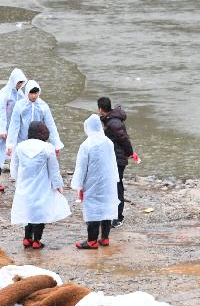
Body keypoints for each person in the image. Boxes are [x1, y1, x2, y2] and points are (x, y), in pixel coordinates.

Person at [10, 120, 70, 249]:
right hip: (42, 185)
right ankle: (37, 240)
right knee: (40, 212)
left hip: (25, 185)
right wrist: (58, 185)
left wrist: (17, 179)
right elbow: (54, 170)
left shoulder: (20, 147)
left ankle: (27, 238)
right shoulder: (48, 148)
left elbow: (14, 167)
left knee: (28, 211)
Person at [72, 115, 120, 249]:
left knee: (93, 209)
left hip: (92, 182)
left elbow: (81, 168)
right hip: (108, 181)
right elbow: (113, 163)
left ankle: (92, 241)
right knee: (106, 207)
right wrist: (115, 179)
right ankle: (104, 238)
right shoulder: (108, 142)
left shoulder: (86, 145)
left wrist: (79, 185)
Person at [0, 68, 27, 192]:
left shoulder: (19, 94)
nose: (20, 85)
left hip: (14, 128)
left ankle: (20, 179)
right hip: (1, 129)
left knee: (17, 152)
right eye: (18, 82)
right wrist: (2, 130)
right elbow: (0, 114)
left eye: (21, 83)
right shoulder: (3, 95)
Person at [97, 97, 134, 228]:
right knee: (112, 186)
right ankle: (112, 214)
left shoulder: (113, 123)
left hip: (117, 159)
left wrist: (130, 153)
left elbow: (124, 139)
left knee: (117, 187)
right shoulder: (109, 121)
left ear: (100, 109)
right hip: (112, 158)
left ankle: (118, 217)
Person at [6, 80, 63, 159]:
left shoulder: (43, 106)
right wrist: (10, 144)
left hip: (39, 142)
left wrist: (56, 144)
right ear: (27, 93)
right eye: (31, 93)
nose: (34, 96)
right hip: (23, 141)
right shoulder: (20, 106)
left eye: (36, 93)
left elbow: (51, 126)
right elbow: (14, 126)